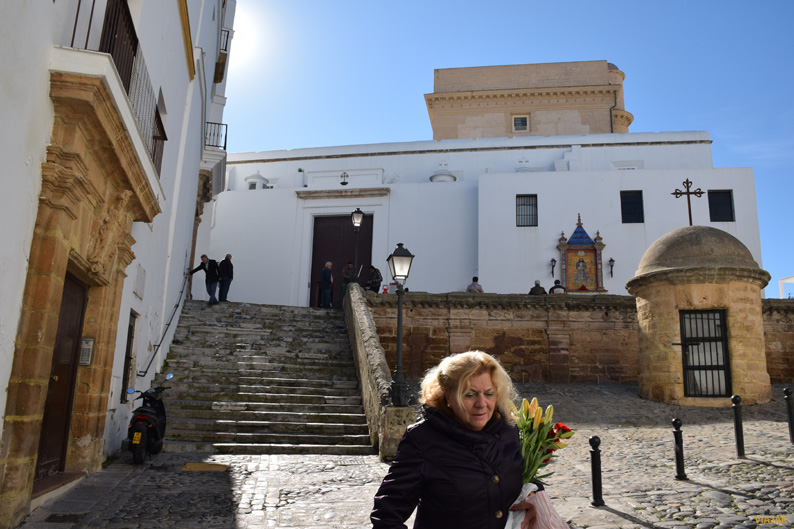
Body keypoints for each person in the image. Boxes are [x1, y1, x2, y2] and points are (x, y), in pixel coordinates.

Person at [371, 351, 537, 529]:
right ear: (448, 396)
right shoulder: (422, 440)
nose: (482, 404)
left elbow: (520, 475)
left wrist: (534, 498)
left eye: (489, 393)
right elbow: (386, 517)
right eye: (470, 394)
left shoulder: (507, 429)